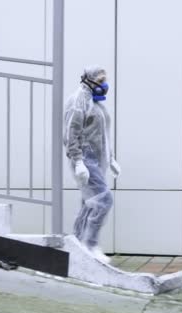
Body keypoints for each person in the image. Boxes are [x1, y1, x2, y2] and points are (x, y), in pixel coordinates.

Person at [63, 65, 120, 264]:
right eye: (100, 80)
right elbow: (71, 133)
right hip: (86, 159)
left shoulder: (95, 103)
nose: (104, 84)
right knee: (104, 201)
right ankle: (90, 244)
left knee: (89, 204)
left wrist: (111, 158)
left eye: (105, 79)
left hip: (97, 159)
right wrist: (78, 161)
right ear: (88, 80)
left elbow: (102, 134)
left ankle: (77, 244)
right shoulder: (78, 101)